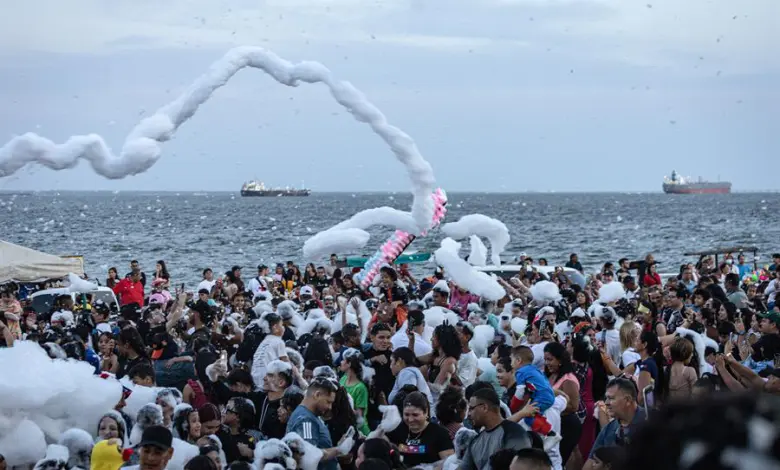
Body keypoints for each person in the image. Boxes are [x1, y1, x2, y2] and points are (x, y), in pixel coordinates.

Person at [286, 377, 354, 470]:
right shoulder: (306, 419)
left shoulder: (310, 416)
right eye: (328, 402)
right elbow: (307, 457)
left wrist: (337, 448)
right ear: (317, 395)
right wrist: (339, 450)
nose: (330, 407)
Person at [459, 388, 532, 470]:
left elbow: (521, 466)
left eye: (471, 408)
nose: (468, 414)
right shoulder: (475, 441)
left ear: (484, 408)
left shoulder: (515, 433)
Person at [586, 378, 646, 467]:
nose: (606, 403)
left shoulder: (650, 423)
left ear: (628, 400)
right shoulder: (609, 428)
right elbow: (590, 462)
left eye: (611, 398)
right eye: (606, 398)